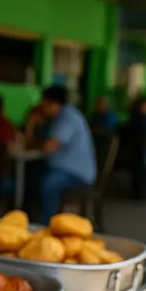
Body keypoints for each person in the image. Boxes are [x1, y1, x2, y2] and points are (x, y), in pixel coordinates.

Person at [36, 86, 96, 221]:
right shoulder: (57, 118)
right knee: (34, 175)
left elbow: (49, 146)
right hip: (61, 168)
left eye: (44, 104)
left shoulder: (67, 117)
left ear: (52, 103)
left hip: (76, 173)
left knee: (49, 183)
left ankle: (48, 223)